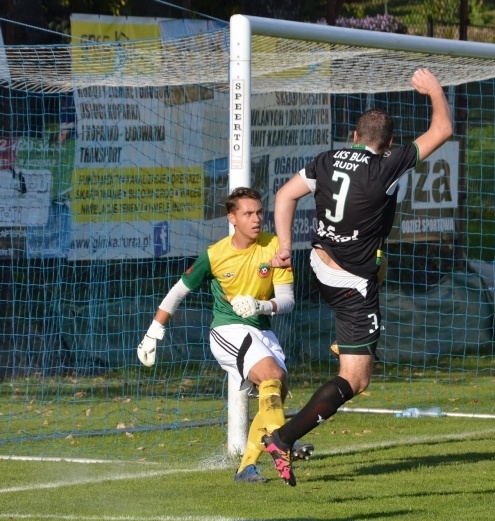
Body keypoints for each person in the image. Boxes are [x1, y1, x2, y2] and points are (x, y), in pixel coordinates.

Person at [263, 67, 453, 486]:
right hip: (350, 282)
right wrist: (434, 90)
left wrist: (283, 246)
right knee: (357, 378)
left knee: (378, 264)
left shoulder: (327, 159)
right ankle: (282, 439)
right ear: (388, 146)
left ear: (353, 136)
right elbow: (442, 129)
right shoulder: (386, 166)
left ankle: (347, 337)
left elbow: (284, 195)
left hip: (320, 263)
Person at [136, 186, 311, 483]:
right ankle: (284, 442)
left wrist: (260, 305)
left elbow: (287, 300)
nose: (256, 219)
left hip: (262, 329)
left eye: (259, 213)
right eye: (248, 213)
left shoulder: (274, 246)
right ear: (232, 218)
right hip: (227, 330)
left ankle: (246, 468)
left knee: (275, 391)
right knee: (270, 375)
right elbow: (178, 291)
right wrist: (154, 332)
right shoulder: (215, 254)